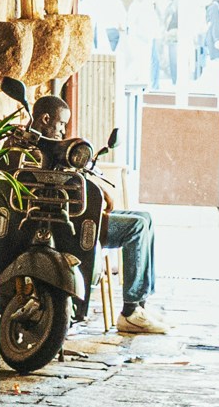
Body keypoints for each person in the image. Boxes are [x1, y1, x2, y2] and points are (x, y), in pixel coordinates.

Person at [25, 87, 158, 329]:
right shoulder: (34, 150)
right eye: (61, 124)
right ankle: (130, 310)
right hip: (73, 220)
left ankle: (141, 304)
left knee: (146, 218)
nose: (64, 131)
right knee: (137, 227)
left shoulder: (55, 150)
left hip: (81, 212)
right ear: (45, 119)